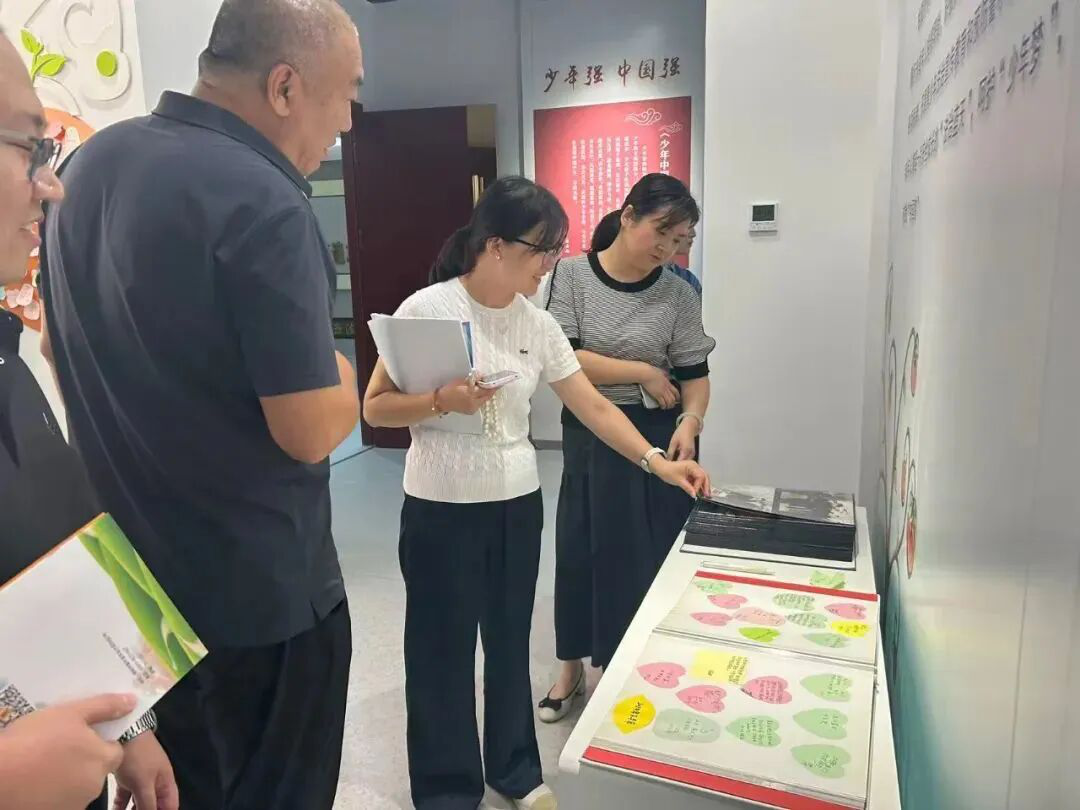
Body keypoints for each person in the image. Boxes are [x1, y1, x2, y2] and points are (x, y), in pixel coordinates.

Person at [38, 2, 364, 807]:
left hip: (137, 592)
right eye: (347, 95)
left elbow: (56, 354)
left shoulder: (87, 166)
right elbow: (307, 428)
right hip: (261, 604)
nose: (347, 124)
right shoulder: (267, 199)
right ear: (285, 87)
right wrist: (348, 376)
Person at [364, 176, 710, 810]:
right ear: (495, 245)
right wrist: (441, 400)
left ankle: (516, 771)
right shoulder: (426, 309)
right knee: (440, 650)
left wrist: (657, 462)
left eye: (556, 249)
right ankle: (445, 790)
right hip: (439, 507)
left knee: (507, 641)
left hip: (516, 506)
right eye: (542, 249)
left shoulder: (537, 324)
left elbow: (594, 407)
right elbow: (376, 407)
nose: (551, 263)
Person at [0, 30, 176, 810]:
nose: (52, 186)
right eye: (28, 147)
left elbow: (56, 544)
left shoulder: (10, 357)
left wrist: (130, 721)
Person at [540, 173, 716, 722]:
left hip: (660, 433)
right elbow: (564, 357)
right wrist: (642, 369)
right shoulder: (572, 275)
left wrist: (691, 420)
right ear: (628, 215)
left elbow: (695, 373)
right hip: (591, 431)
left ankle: (638, 669)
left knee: (649, 557)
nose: (668, 249)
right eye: (662, 233)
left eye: (680, 240)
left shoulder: (678, 291)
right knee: (581, 550)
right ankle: (570, 668)